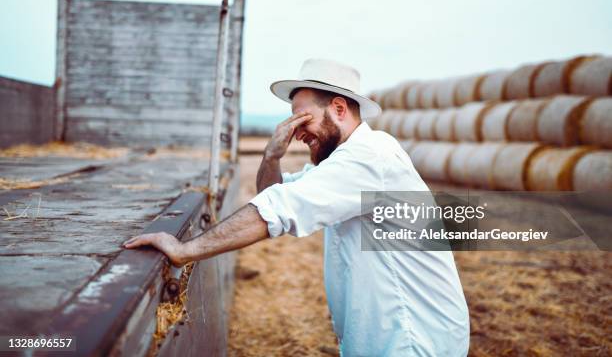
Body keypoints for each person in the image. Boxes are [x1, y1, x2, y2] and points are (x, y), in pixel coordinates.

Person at [123, 59, 470, 356]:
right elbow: (272, 195)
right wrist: (271, 156)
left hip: (412, 338)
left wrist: (186, 250)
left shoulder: (370, 157)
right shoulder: (341, 163)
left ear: (338, 108)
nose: (297, 133)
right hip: (390, 334)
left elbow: (277, 209)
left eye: (303, 120)